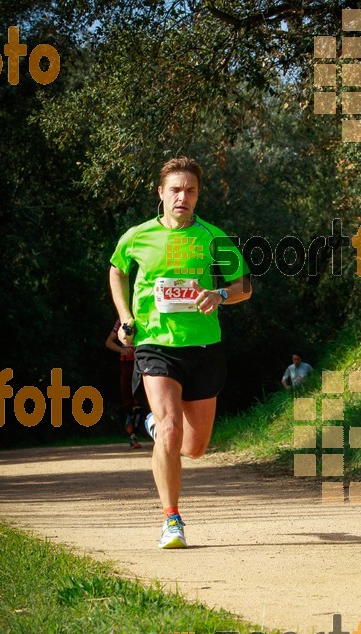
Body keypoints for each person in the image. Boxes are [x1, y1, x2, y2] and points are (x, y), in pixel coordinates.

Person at [109, 156, 251, 548]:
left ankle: (154, 427)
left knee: (195, 447)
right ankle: (172, 520)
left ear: (197, 195)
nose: (182, 197)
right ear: (161, 193)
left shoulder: (213, 238)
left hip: (204, 348)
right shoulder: (138, 236)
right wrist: (125, 316)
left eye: (190, 190)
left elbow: (244, 286)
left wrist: (220, 294)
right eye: (175, 189)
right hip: (156, 345)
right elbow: (117, 270)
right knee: (172, 428)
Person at [105, 319, 144, 449]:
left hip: (141, 363)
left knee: (139, 400)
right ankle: (129, 419)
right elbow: (109, 342)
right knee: (127, 401)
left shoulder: (143, 316)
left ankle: (134, 436)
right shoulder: (121, 321)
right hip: (126, 364)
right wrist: (122, 350)